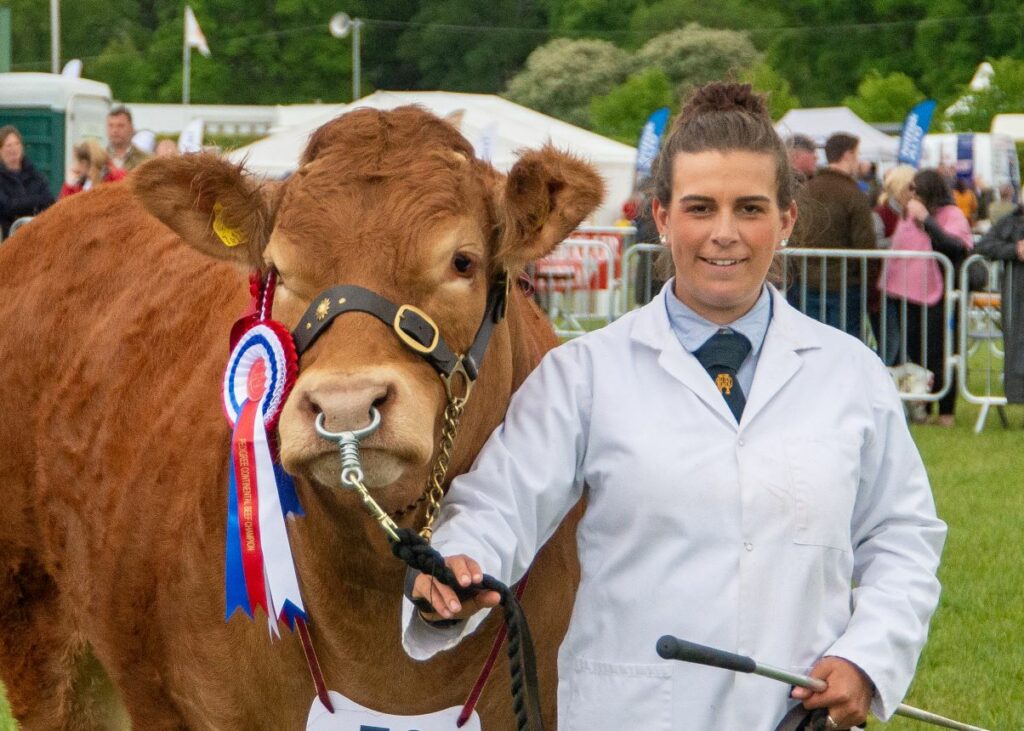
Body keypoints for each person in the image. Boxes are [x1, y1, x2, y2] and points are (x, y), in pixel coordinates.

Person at [403, 82, 946, 731]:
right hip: (629, 712)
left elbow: (902, 537)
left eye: (749, 208)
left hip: (794, 716)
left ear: (786, 220)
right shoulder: (584, 375)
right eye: (699, 208)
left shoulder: (850, 374)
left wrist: (865, 657)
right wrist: (457, 566)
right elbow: (496, 504)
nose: (724, 234)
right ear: (661, 216)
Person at [885, 169, 973, 427]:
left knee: (942, 352)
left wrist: (927, 221)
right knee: (916, 350)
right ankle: (923, 407)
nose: (911, 194)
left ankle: (946, 413)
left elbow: (956, 247)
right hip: (907, 294)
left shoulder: (951, 214)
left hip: (941, 295)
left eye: (916, 189)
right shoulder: (906, 216)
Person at [787, 132, 879, 338]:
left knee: (809, 343)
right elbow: (865, 244)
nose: (858, 161)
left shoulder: (807, 190)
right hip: (844, 286)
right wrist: (871, 285)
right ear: (847, 155)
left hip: (807, 282)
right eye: (857, 154)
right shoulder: (853, 194)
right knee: (845, 348)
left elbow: (793, 233)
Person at [976, 206, 1024, 404]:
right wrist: (1014, 250)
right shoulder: (1011, 220)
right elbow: (984, 245)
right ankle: (1018, 394)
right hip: (1017, 297)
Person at [0, 125, 54, 238]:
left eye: (17, 144)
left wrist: (21, 203)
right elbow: (7, 207)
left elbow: (49, 200)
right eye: (8, 145)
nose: (13, 149)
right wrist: (36, 201)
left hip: (36, 236)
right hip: (8, 239)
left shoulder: (35, 174)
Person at [59, 139, 127, 198]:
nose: (74, 167)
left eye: (75, 162)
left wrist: (69, 187)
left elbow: (63, 209)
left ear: (84, 164)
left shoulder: (114, 179)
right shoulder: (117, 176)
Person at [106, 105, 151, 171]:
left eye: (120, 126)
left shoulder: (145, 161)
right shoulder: (99, 159)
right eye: (111, 126)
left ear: (131, 128)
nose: (115, 130)